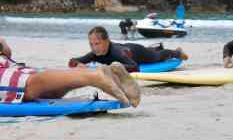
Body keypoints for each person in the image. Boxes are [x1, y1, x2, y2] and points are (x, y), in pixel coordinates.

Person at [1, 36, 140, 106]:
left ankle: (94, 77)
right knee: (47, 90)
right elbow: (6, 50)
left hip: (9, 71)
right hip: (15, 67)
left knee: (28, 86)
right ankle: (98, 74)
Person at [68, 26, 188, 72]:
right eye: (91, 44)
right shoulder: (95, 53)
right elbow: (72, 61)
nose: (94, 47)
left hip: (137, 52)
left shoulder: (115, 53)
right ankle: (156, 47)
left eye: (97, 43)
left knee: (156, 57)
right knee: (153, 51)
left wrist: (110, 68)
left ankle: (177, 52)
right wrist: (78, 64)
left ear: (106, 41)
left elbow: (134, 66)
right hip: (127, 48)